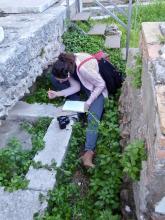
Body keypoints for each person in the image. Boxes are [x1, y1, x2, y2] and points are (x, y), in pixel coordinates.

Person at [48, 52, 108, 168]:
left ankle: (88, 152)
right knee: (53, 79)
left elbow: (101, 84)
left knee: (93, 117)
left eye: (62, 79)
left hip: (96, 88)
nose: (61, 82)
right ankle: (77, 104)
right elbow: (76, 86)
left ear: (68, 75)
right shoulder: (66, 65)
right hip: (84, 83)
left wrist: (89, 102)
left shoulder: (83, 69)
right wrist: (57, 94)